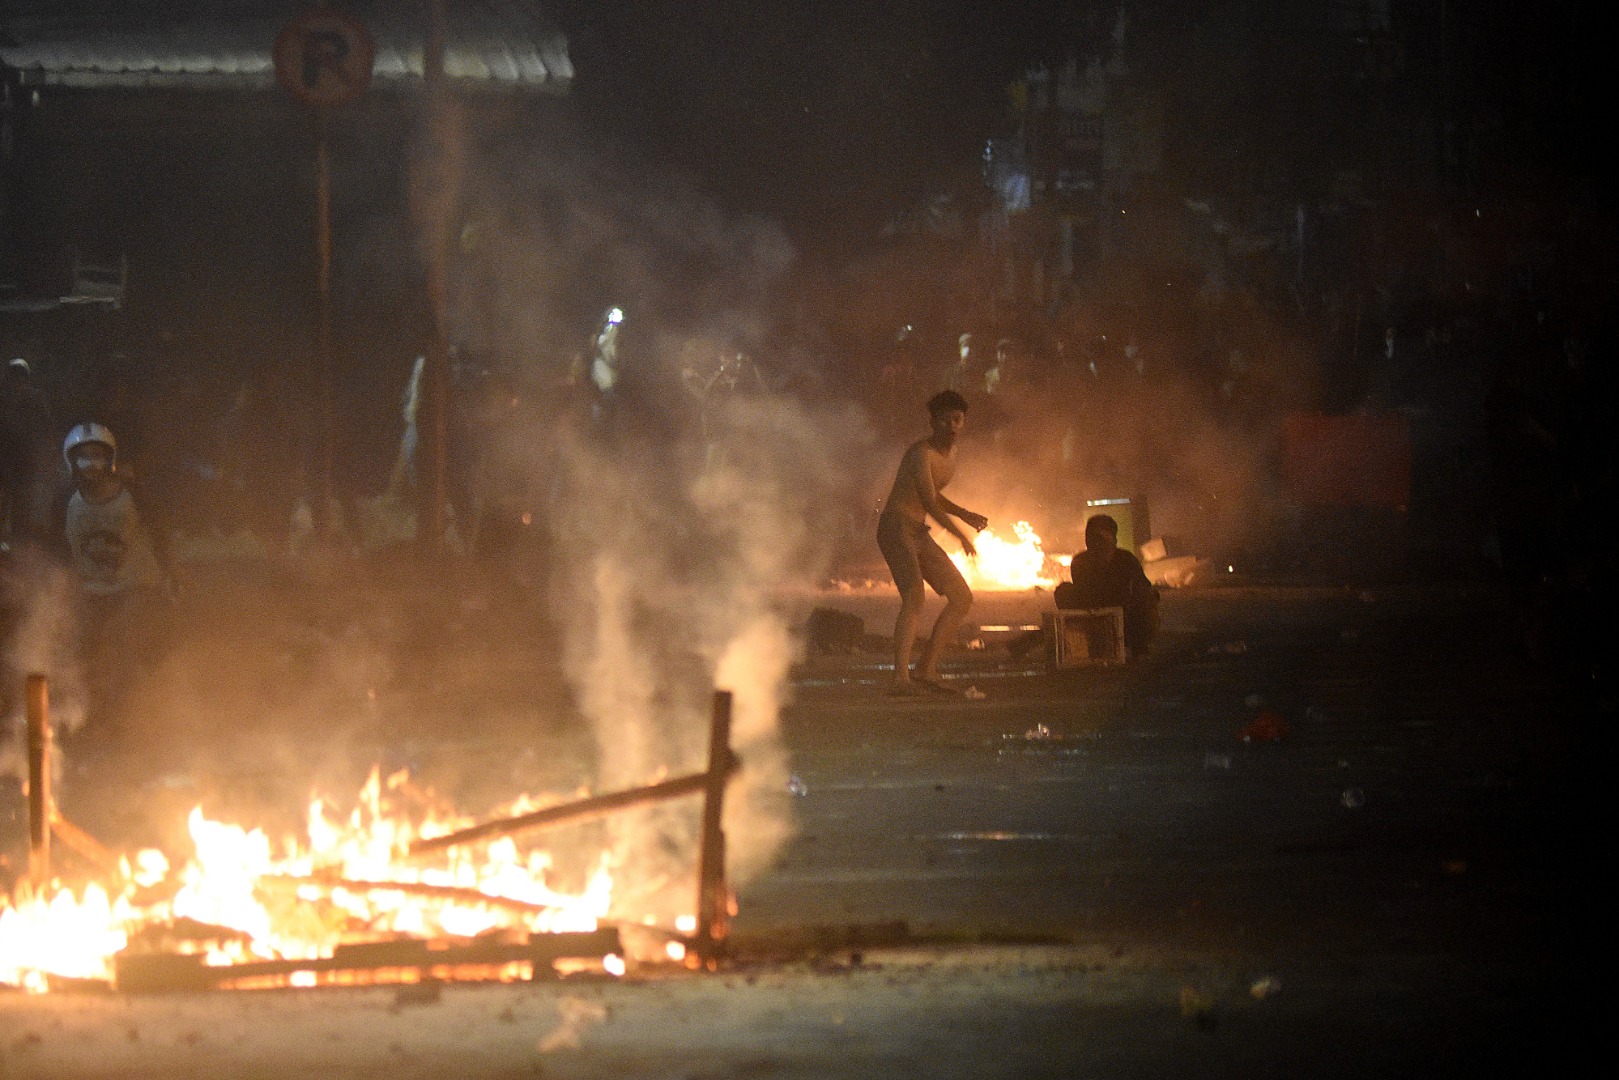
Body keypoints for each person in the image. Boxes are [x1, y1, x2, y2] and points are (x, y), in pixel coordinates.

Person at [60, 422, 179, 732]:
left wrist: (172, 573)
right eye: (83, 457)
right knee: (82, 657)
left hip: (135, 586)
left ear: (110, 459)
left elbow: (161, 536)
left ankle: (132, 720)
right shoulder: (65, 503)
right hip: (90, 591)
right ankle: (88, 721)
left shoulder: (134, 496)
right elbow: (56, 549)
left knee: (126, 649)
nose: (91, 464)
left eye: (98, 456)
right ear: (71, 461)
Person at [877, 389, 988, 693]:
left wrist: (965, 514)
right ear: (932, 423)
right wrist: (961, 535)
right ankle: (900, 679)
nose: (951, 426)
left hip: (917, 531)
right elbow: (928, 500)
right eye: (944, 420)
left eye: (957, 420)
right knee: (914, 596)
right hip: (896, 528)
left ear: (963, 422)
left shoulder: (951, 455)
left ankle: (926, 668)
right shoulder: (920, 454)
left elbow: (934, 495)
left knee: (961, 597)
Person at [1055, 513, 1159, 656]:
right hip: (1093, 616)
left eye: (1100, 539)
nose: (1095, 544)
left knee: (1146, 596)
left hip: (1126, 618)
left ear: (1113, 540)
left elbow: (1144, 590)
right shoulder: (1081, 562)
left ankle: (1138, 646)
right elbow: (1084, 594)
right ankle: (1083, 642)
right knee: (1063, 591)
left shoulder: (1126, 560)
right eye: (1091, 538)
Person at [0, 358, 56, 545]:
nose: (17, 381)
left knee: (21, 501)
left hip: (25, 460)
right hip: (6, 459)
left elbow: (46, 427)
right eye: (14, 376)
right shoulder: (4, 398)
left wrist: (46, 454)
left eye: (21, 377)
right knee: (6, 499)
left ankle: (19, 542)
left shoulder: (35, 399)